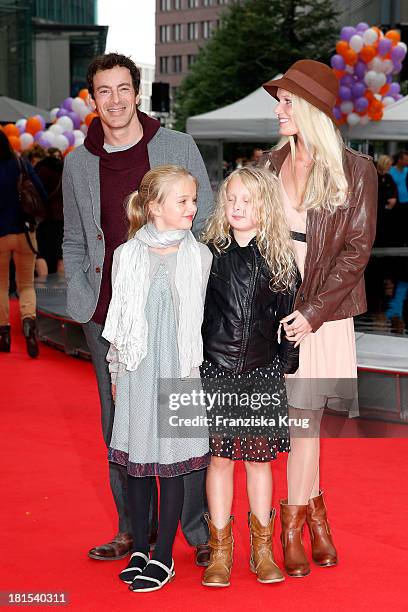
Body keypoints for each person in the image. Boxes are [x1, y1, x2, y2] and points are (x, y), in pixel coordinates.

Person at [62, 52, 213, 564]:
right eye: (104, 91)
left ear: (137, 91)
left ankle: (194, 530)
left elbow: (206, 221)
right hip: (109, 318)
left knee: (181, 420)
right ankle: (133, 530)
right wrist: (85, 296)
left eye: (123, 88)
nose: (115, 99)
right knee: (120, 424)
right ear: (93, 98)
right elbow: (75, 238)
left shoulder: (176, 146)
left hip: (174, 314)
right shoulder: (78, 162)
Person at [261, 60, 377, 577]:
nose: (279, 111)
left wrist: (311, 313)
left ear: (310, 109)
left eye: (287, 102)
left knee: (304, 424)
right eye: (279, 101)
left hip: (325, 313)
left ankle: (292, 525)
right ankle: (318, 516)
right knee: (296, 423)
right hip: (275, 310)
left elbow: (356, 252)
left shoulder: (356, 170)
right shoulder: (268, 164)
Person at [103, 165, 212, 592]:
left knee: (171, 466)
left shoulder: (199, 256)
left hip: (180, 373)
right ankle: (138, 551)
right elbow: (118, 323)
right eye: (183, 201)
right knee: (137, 465)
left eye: (193, 199)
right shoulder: (126, 255)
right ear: (154, 208)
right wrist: (116, 373)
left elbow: (200, 321)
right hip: (137, 370)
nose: (193, 207)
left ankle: (163, 554)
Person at [200, 166, 300, 588]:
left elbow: (289, 318)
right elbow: (196, 314)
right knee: (220, 460)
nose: (238, 207)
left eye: (248, 200)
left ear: (266, 207)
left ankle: (263, 550)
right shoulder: (207, 253)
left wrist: (286, 364)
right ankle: (220, 551)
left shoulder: (280, 258)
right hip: (216, 371)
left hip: (262, 374)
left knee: (260, 462)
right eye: (231, 199)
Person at [0, 131, 47, 357]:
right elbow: (41, 193)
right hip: (25, 233)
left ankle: (4, 332)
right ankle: (29, 323)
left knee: (0, 285)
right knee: (26, 284)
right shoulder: (21, 164)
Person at [35, 152, 64, 275]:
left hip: (44, 219)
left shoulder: (41, 171)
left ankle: (43, 287)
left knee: (40, 254)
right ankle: (62, 288)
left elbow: (37, 193)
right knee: (60, 255)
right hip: (63, 218)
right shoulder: (64, 170)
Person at [375, 155, 397, 247]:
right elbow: (374, 193)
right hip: (376, 210)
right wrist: (386, 200)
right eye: (389, 165)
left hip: (387, 210)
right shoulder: (374, 176)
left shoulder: (388, 177)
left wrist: (394, 199)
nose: (390, 167)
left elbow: (394, 189)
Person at [389, 150, 408, 246]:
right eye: (406, 160)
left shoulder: (407, 170)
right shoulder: (391, 171)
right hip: (396, 202)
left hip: (406, 201)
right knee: (397, 224)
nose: (407, 162)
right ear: (399, 160)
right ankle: (396, 243)